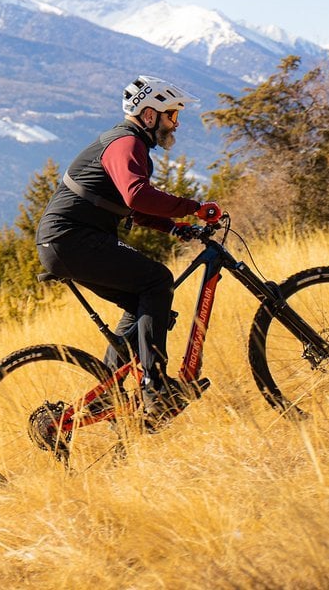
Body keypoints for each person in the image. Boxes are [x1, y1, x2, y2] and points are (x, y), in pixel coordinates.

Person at [35, 75, 223, 425]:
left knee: (140, 303)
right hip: (72, 240)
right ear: (149, 115)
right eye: (172, 116)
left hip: (67, 242)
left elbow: (130, 207)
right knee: (156, 281)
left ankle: (106, 394)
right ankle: (156, 390)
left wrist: (173, 226)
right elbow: (137, 195)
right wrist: (193, 206)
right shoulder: (127, 144)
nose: (176, 124)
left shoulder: (126, 145)